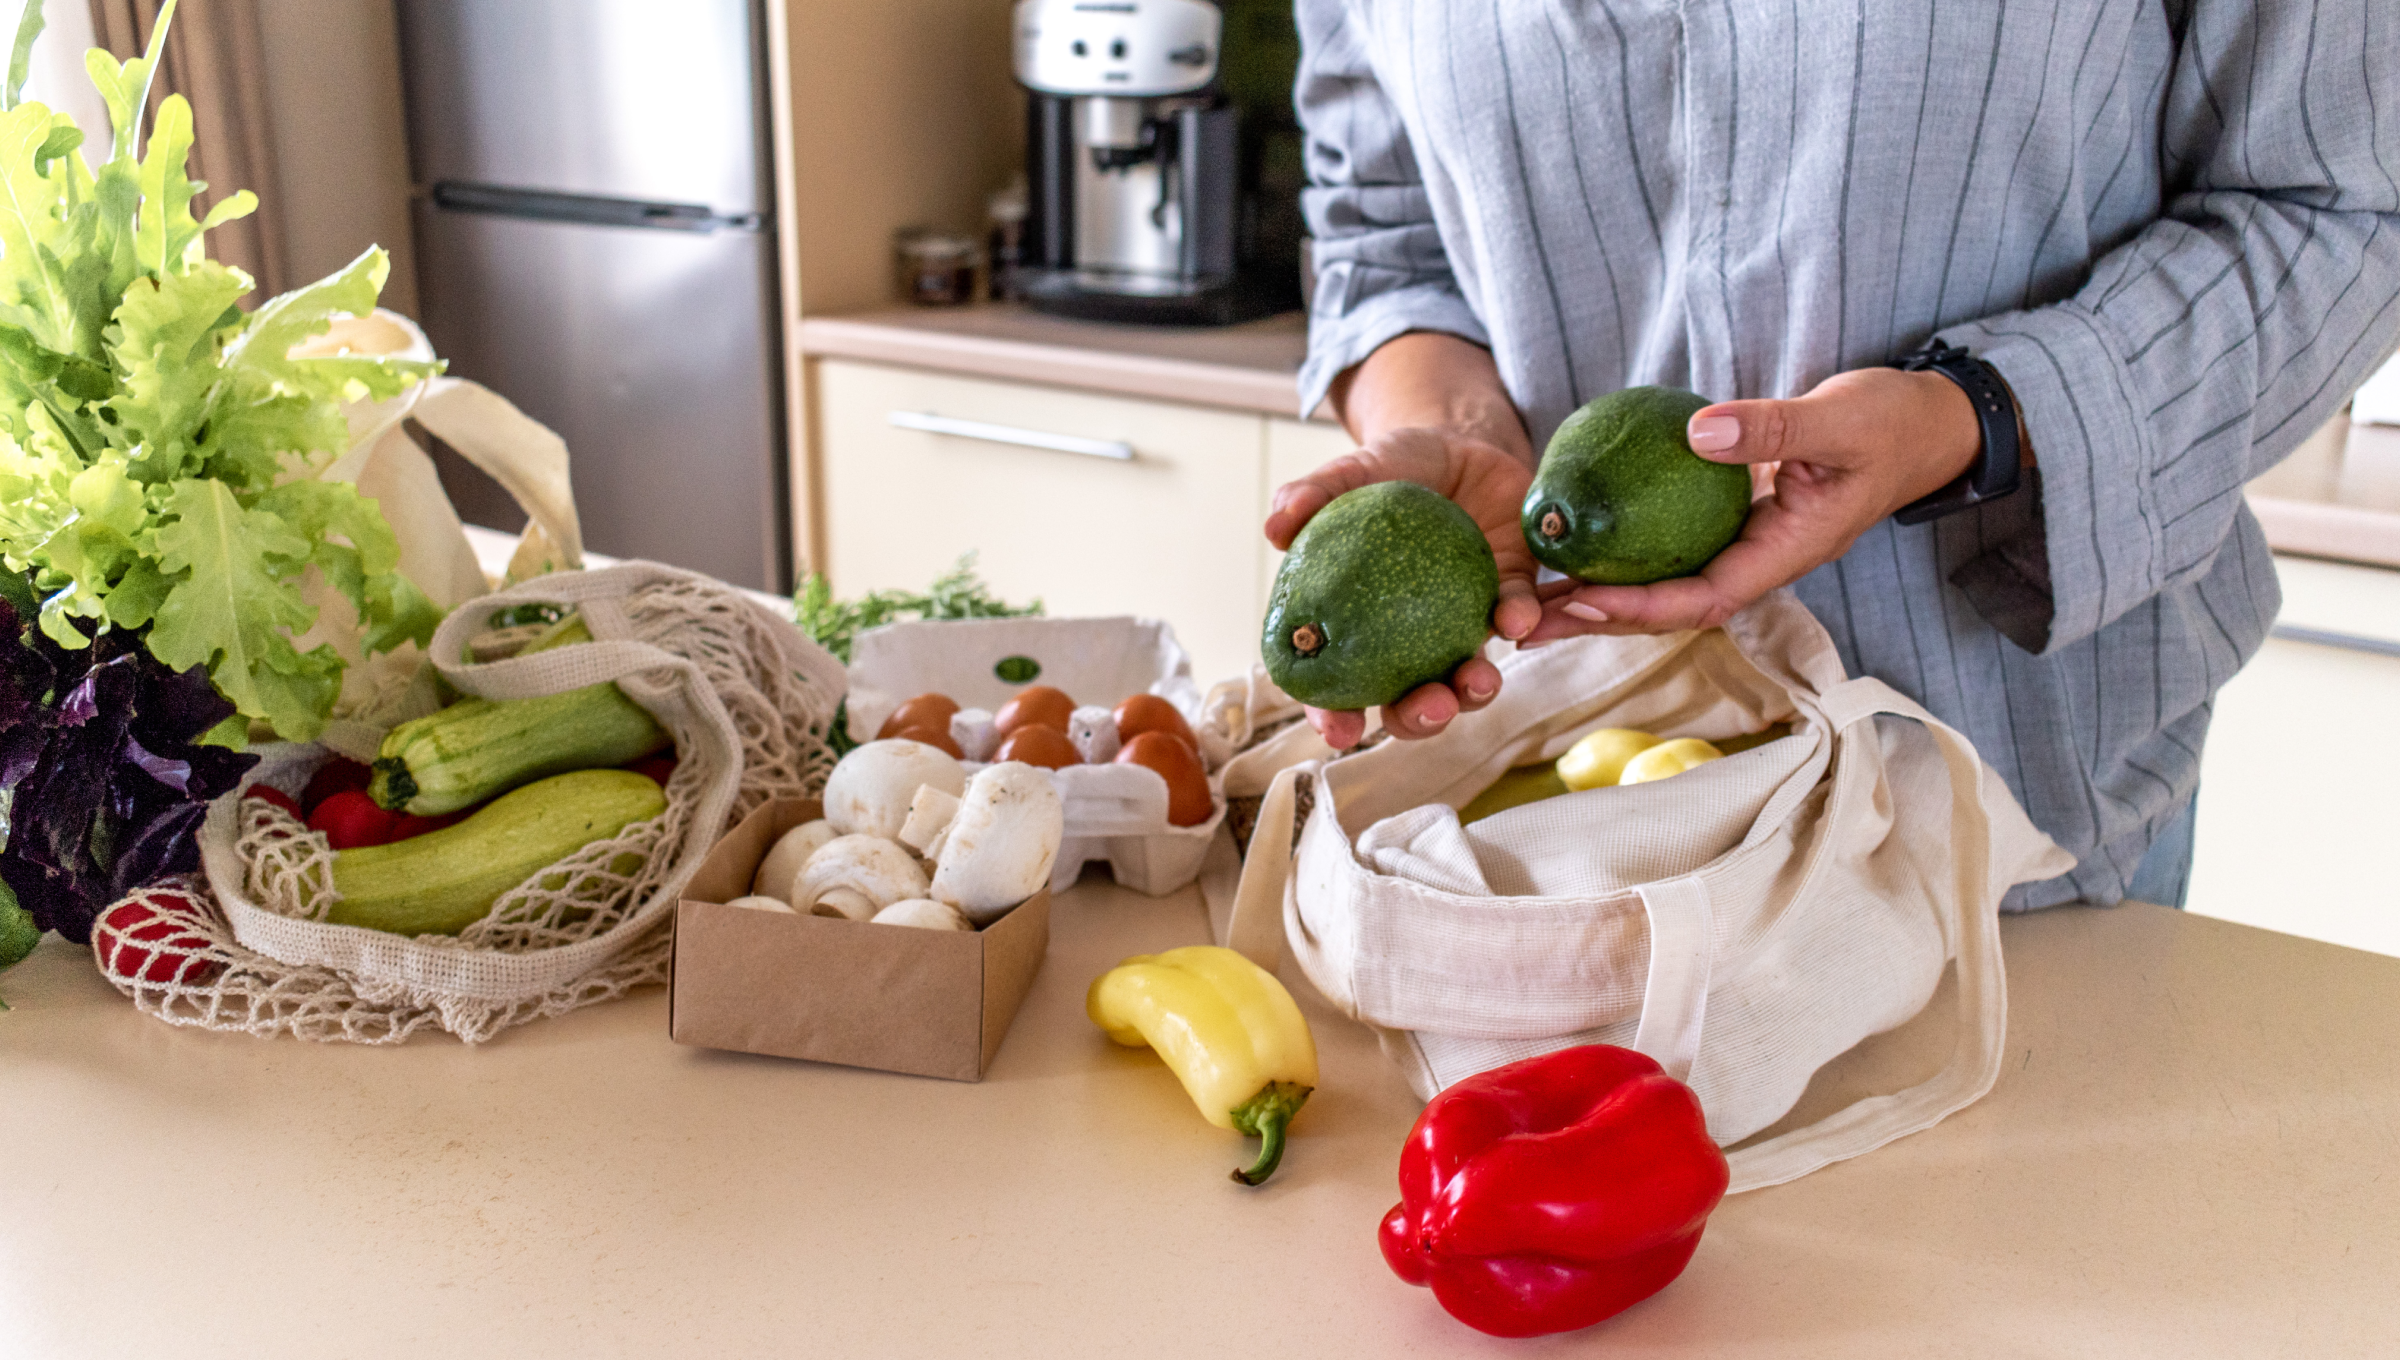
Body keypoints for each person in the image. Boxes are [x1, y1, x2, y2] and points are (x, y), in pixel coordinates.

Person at [1272, 0, 2399, 910]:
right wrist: (1465, 435)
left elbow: (2339, 206)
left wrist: (1975, 417)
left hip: (2009, 819)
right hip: (1559, 811)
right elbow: (1385, 231)